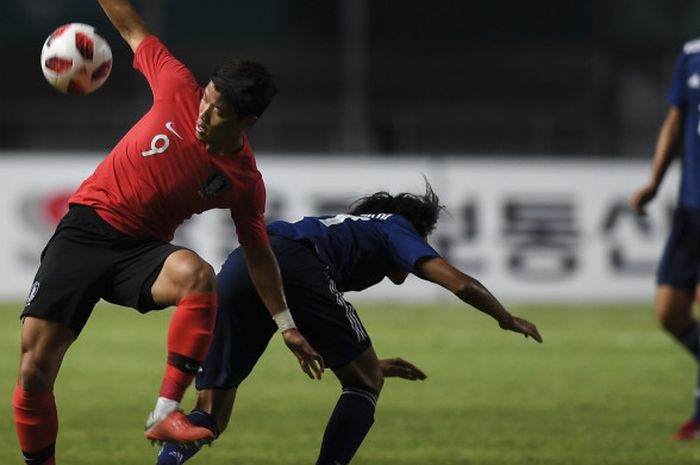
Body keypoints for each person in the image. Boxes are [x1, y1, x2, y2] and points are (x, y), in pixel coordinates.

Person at [13, 1, 324, 464]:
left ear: (247, 122)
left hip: (140, 253)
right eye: (206, 98)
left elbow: (258, 253)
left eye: (218, 110)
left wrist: (286, 325)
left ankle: (164, 410)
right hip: (86, 231)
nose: (203, 112)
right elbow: (131, 27)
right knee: (34, 374)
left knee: (198, 275)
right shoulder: (178, 85)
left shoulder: (242, 180)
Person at [156, 182, 543, 465]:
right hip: (295, 261)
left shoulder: (347, 229)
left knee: (210, 413)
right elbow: (459, 282)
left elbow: (303, 306)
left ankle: (169, 459)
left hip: (245, 263)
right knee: (364, 384)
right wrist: (505, 318)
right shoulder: (396, 226)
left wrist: (368, 361)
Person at [630, 38, 700, 440]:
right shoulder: (691, 55)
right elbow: (675, 121)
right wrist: (654, 183)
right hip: (690, 210)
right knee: (670, 314)